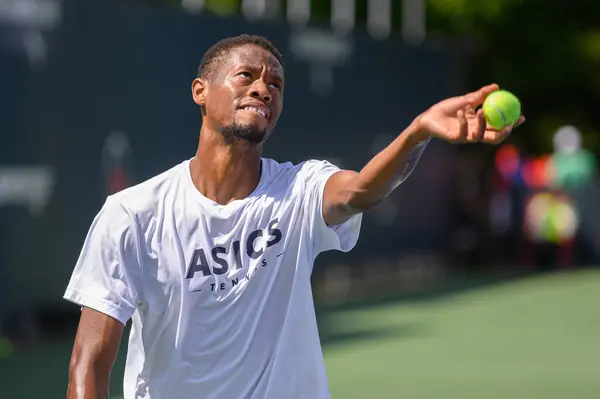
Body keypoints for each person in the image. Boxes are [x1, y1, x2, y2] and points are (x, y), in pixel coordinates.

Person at [64, 34, 524, 399]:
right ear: (200, 91)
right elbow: (89, 361)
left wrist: (419, 130)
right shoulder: (132, 214)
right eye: (246, 76)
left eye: (276, 84)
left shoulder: (300, 189)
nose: (263, 88)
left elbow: (362, 189)